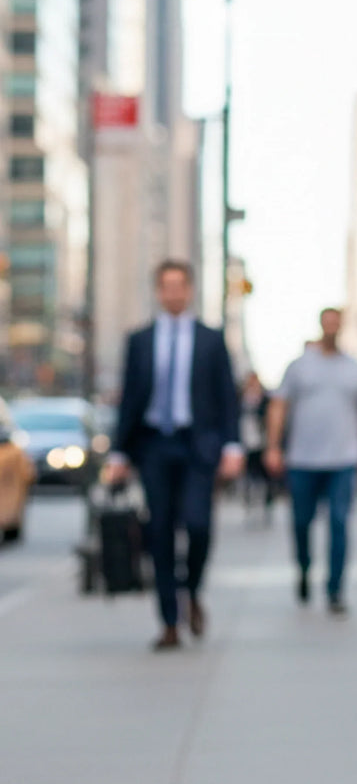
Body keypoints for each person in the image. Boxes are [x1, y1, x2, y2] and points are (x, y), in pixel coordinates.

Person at [106, 260, 243, 650]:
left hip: (198, 446)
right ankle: (169, 621)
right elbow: (129, 400)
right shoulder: (139, 340)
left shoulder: (211, 340)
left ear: (190, 290)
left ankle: (192, 591)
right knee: (159, 532)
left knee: (198, 525)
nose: (173, 293)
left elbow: (226, 398)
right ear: (158, 291)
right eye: (166, 286)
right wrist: (119, 452)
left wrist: (232, 446)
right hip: (153, 446)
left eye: (179, 286)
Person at [264, 309, 357, 615]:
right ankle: (304, 569)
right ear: (321, 326)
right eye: (328, 324)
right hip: (302, 459)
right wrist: (273, 446)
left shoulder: (355, 369)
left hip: (343, 459)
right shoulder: (298, 367)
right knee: (301, 522)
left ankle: (335, 588)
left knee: (339, 522)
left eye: (337, 324)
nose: (332, 329)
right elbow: (279, 406)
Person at [239, 372, 274, 521]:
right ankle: (249, 502)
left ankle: (267, 503)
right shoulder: (241, 399)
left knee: (264, 475)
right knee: (248, 474)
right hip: (246, 442)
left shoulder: (265, 399)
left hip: (261, 442)